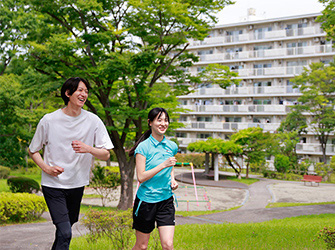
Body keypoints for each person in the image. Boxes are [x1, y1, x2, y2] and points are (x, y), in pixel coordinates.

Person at [28, 77, 113, 250]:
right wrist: (47, 168)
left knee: (65, 230)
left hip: (77, 183)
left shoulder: (93, 120)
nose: (84, 94)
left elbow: (105, 154)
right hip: (53, 184)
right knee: (65, 232)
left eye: (86, 91)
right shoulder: (49, 120)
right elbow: (33, 150)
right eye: (80, 90)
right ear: (68, 93)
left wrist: (88, 148)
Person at [129, 108, 179, 250]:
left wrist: (172, 179)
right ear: (150, 123)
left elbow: (171, 165)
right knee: (142, 246)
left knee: (168, 245)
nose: (163, 123)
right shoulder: (143, 148)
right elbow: (141, 177)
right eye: (159, 120)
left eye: (166, 120)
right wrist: (163, 165)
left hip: (166, 200)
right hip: (146, 202)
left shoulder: (172, 146)